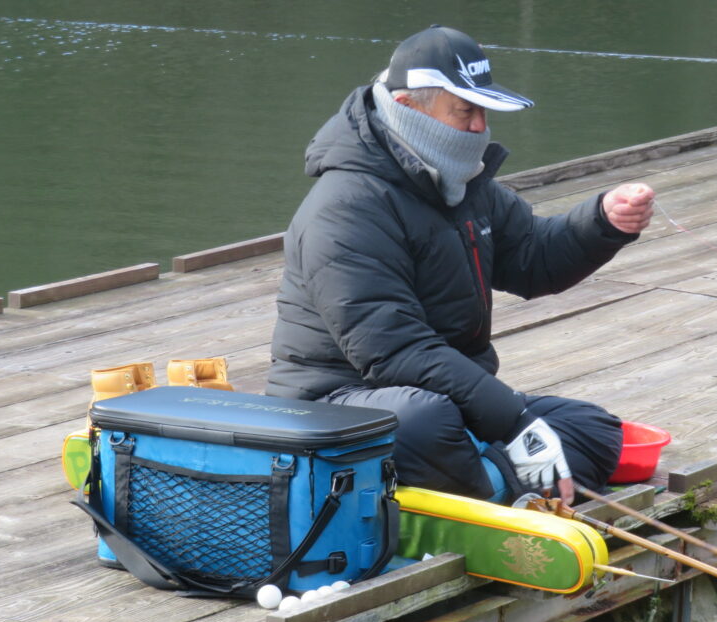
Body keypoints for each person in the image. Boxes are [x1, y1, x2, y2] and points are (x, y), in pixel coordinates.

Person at [266, 25, 655, 504]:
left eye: (482, 111)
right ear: (408, 107)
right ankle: (505, 487)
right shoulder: (345, 206)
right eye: (464, 111)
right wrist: (515, 423)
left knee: (592, 427)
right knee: (426, 421)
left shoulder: (462, 182)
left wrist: (602, 221)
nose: (478, 127)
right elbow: (394, 350)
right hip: (335, 400)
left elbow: (534, 258)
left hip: (444, 394)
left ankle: (486, 484)